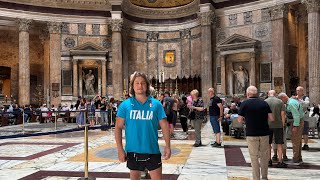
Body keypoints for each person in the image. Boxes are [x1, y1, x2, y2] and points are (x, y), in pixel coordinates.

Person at [115, 71, 171, 180]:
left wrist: (168, 146)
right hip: (133, 150)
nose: (140, 86)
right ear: (132, 86)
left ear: (147, 85)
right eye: (137, 83)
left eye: (143, 83)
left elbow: (165, 126)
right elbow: (118, 127)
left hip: (152, 150)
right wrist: (120, 149)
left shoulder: (156, 104)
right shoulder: (125, 105)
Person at [238, 86, 274, 180]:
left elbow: (239, 120)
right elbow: (271, 118)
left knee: (254, 157)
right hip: (264, 133)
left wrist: (247, 120)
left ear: (248, 94)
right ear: (256, 93)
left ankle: (256, 178)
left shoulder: (244, 103)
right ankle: (265, 177)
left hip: (251, 133)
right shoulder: (264, 103)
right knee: (264, 156)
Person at [278, 92, 304, 164]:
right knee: (298, 140)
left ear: (283, 98)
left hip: (297, 122)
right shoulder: (291, 101)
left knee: (295, 141)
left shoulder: (291, 103)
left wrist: (295, 126)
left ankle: (296, 158)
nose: (281, 102)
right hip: (298, 122)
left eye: (281, 100)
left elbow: (296, 115)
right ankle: (298, 157)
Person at [265, 90, 287, 168]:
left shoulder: (265, 102)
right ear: (275, 94)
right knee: (279, 143)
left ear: (268, 94)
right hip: (278, 125)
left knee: (268, 143)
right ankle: (280, 161)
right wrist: (283, 124)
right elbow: (283, 114)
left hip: (267, 125)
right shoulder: (280, 102)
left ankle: (268, 161)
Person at [292, 86, 310, 150]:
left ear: (302, 91)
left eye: (299, 90)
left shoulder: (306, 98)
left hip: (304, 118)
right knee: (296, 132)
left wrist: (298, 100)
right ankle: (298, 144)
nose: (297, 92)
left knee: (305, 131)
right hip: (296, 118)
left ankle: (305, 144)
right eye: (297, 90)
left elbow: (306, 104)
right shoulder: (294, 98)